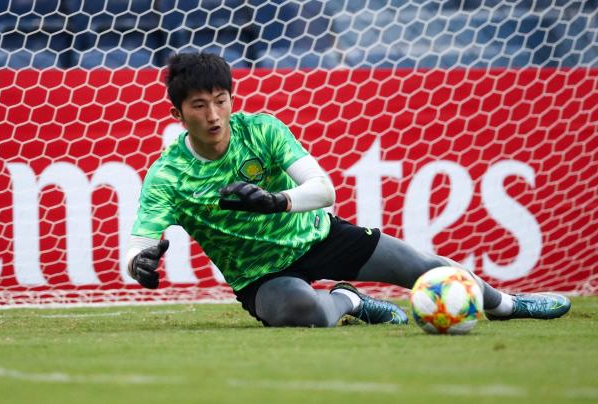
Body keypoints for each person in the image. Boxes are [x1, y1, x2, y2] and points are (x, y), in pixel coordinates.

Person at [126, 52, 571, 327]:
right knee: (303, 314)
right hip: (260, 275)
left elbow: (324, 190)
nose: (213, 115)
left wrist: (277, 201)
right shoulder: (168, 176)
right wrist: (138, 264)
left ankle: (507, 304)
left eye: (220, 100)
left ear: (231, 98)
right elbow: (139, 245)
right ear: (178, 114)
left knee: (426, 268)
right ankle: (348, 299)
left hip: (319, 235)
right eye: (199, 105)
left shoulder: (261, 130)